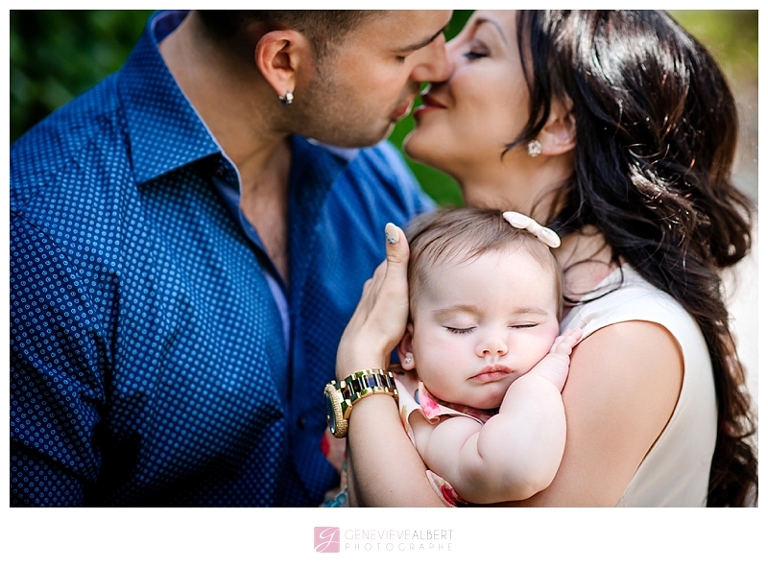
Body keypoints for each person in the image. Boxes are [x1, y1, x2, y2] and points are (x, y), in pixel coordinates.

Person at [10, 9, 452, 506]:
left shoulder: (370, 174)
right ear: (283, 60)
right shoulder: (44, 241)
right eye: (404, 52)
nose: (440, 66)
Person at [335, 10, 757, 506]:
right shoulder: (459, 279)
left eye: (477, 50)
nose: (434, 61)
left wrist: (361, 367)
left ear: (558, 125)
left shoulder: (625, 337)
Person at [395, 208, 581, 506]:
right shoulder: (430, 421)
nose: (494, 346)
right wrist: (539, 382)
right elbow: (513, 468)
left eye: (524, 325)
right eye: (460, 328)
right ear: (408, 347)